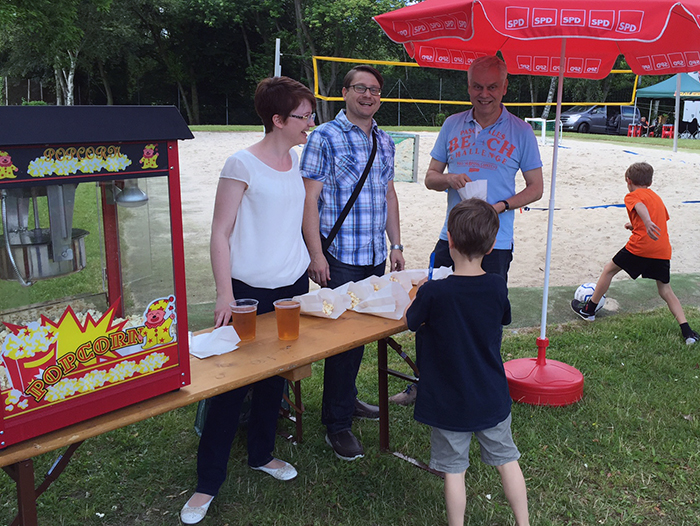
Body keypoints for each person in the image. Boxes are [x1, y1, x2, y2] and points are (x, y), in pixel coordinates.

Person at [180, 76, 315, 525]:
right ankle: (206, 482)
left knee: (275, 375)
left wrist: (313, 259)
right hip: (247, 293)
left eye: (310, 114)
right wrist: (225, 293)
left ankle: (262, 453)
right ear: (277, 119)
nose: (310, 122)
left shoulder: (298, 160)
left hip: (292, 287)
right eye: (303, 116)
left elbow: (299, 218)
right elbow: (219, 233)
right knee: (229, 386)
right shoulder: (241, 164)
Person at [390, 54, 543, 406]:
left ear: (505, 87)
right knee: (431, 315)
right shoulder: (452, 124)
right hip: (451, 239)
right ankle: (425, 384)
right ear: (468, 86)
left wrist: (500, 206)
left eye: (492, 86)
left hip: (494, 243)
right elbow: (430, 177)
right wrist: (446, 179)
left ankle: (482, 388)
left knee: (486, 321)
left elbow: (536, 188)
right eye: (477, 86)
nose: (484, 94)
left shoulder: (520, 131)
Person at [300, 64, 405, 461]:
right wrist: (315, 254)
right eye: (360, 88)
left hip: (374, 256)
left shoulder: (386, 140)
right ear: (344, 92)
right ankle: (336, 424)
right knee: (341, 345)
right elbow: (309, 199)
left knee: (361, 337)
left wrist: (396, 244)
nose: (368, 95)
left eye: (375, 90)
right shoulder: (324, 138)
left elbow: (389, 195)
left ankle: (348, 401)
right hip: (338, 258)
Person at [405, 198, 530, 526]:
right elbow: (503, 317)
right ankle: (524, 522)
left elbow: (410, 321)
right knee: (508, 460)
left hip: (448, 399)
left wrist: (419, 293)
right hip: (490, 392)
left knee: (454, 471)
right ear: (491, 248)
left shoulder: (433, 292)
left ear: (451, 240)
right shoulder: (496, 285)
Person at [571, 162, 699, 345]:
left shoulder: (632, 195)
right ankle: (687, 332)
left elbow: (640, 207)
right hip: (662, 250)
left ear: (628, 181)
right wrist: (637, 224)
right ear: (651, 182)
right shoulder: (657, 198)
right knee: (665, 290)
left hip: (641, 247)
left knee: (609, 270)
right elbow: (659, 220)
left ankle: (588, 310)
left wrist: (645, 221)